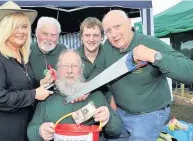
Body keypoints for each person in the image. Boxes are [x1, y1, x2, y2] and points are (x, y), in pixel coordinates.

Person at [102, 10, 193, 141]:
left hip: (149, 115)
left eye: (117, 27)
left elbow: (190, 70)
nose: (114, 34)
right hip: (121, 113)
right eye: (108, 31)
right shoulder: (107, 47)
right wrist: (111, 95)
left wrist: (154, 56)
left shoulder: (149, 43)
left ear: (129, 23)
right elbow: (101, 73)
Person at [0, 1, 53, 141]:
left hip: (22, 131)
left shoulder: (23, 57)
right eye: (15, 27)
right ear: (4, 29)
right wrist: (34, 94)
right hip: (0, 135)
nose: (21, 31)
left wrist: (41, 83)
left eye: (24, 26)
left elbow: (20, 86)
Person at [27, 50, 123, 141]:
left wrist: (108, 119)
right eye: (65, 66)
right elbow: (31, 132)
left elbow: (117, 132)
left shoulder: (95, 95)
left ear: (81, 70)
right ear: (58, 69)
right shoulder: (47, 98)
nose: (69, 71)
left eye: (74, 66)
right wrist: (40, 131)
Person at [77, 17, 117, 110]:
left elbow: (117, 84)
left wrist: (113, 110)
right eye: (87, 35)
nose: (91, 39)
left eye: (95, 35)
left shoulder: (110, 53)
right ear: (81, 37)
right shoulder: (74, 57)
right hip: (82, 109)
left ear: (102, 37)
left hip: (109, 107)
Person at [29, 16, 67, 86]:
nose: (49, 39)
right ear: (36, 33)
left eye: (53, 35)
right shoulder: (27, 51)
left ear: (58, 36)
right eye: (45, 34)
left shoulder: (63, 50)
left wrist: (60, 76)